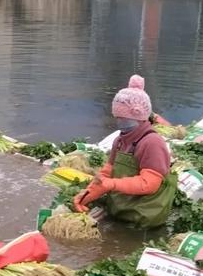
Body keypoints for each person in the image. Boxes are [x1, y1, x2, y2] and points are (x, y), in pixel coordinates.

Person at [73, 75, 177, 228]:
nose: (119, 122)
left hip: (146, 215)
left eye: (124, 118)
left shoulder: (152, 142)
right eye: (117, 117)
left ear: (141, 117)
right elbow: (107, 173)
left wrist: (111, 184)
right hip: (123, 207)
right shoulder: (120, 140)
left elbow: (149, 184)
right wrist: (88, 194)